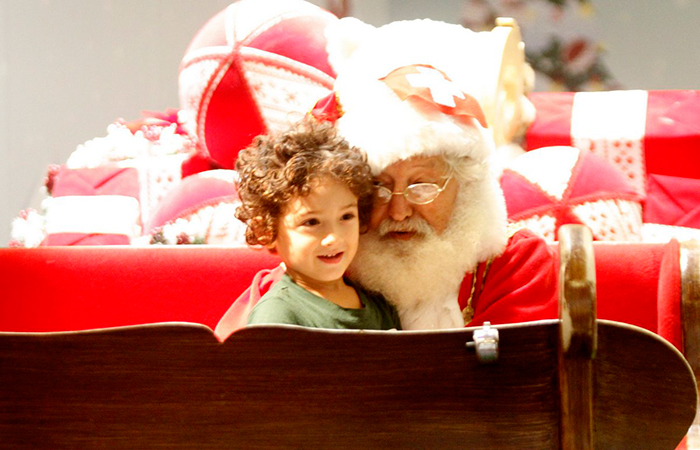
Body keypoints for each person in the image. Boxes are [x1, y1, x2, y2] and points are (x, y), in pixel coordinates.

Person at [233, 117, 401, 330]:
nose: (334, 237)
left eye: (346, 217)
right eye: (311, 222)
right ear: (266, 230)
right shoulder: (277, 315)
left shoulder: (380, 304)